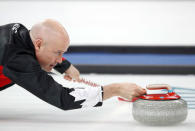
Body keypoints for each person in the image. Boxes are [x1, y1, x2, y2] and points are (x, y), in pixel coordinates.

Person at [0, 19, 146, 110]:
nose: (59, 59)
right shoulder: (16, 59)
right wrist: (115, 89)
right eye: (58, 52)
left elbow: (30, 50)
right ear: (38, 44)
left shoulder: (18, 31)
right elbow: (62, 98)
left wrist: (65, 66)